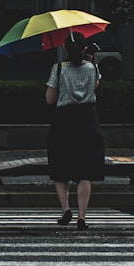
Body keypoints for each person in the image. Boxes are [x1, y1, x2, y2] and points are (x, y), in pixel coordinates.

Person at [46, 31, 105, 230]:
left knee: (60, 168)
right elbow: (95, 86)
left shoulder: (59, 68)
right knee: (85, 170)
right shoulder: (92, 68)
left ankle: (65, 210)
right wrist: (90, 61)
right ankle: (81, 216)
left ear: (64, 49)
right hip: (87, 119)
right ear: (84, 48)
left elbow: (50, 99)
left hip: (64, 120)